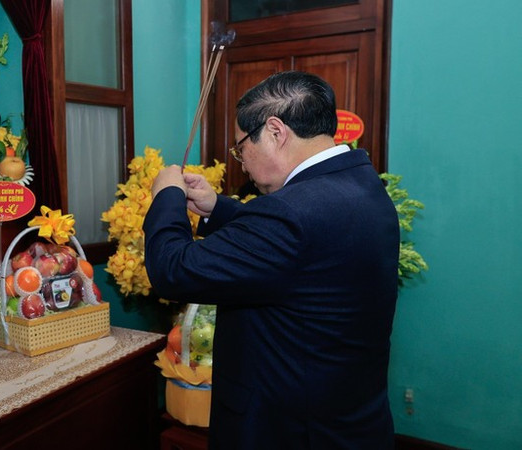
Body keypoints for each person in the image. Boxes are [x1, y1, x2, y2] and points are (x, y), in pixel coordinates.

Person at [143, 71, 399, 449]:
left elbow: (172, 269)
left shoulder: (292, 213)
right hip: (347, 420)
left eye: (241, 147)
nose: (241, 162)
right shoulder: (362, 185)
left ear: (276, 132)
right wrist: (217, 209)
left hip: (287, 431)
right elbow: (302, 252)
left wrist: (166, 196)